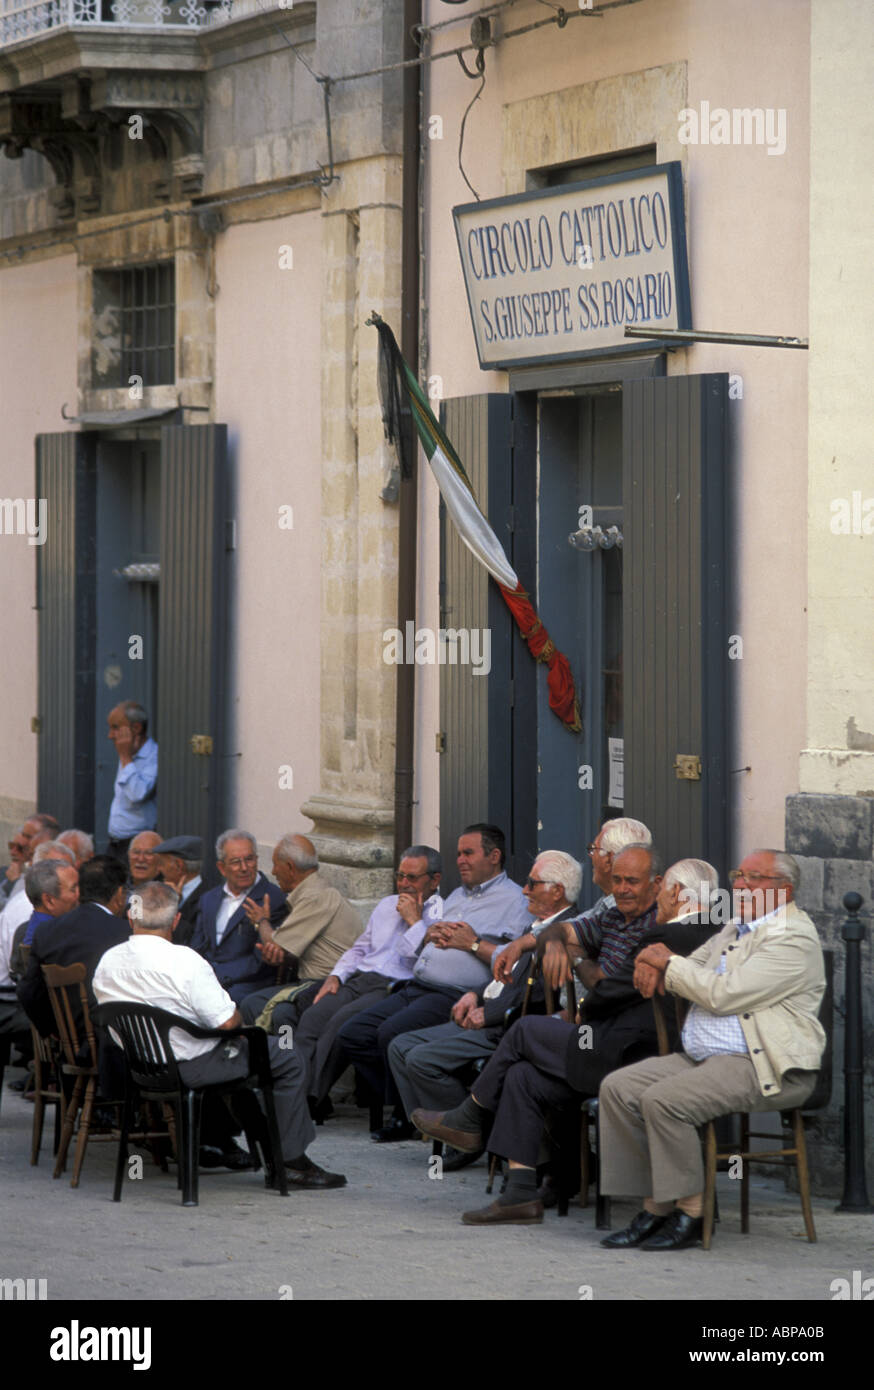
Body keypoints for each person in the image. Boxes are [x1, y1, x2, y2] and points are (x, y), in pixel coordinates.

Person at [413, 844, 711, 1223]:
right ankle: (521, 1193)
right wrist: (552, 942)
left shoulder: (662, 931)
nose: (622, 888)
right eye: (617, 879)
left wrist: (578, 958)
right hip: (598, 1038)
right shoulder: (611, 917)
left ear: (658, 886)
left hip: (629, 1053)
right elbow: (557, 927)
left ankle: (470, 1115)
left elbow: (604, 993)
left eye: (632, 881)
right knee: (523, 1076)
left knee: (523, 1031)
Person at [598, 849, 825, 1252]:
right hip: (706, 1057)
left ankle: (690, 1210)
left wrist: (664, 960)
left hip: (763, 1064)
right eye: (739, 874)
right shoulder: (737, 926)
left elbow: (721, 995)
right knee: (619, 1087)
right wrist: (656, 960)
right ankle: (653, 1204)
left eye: (754, 877)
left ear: (783, 890)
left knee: (664, 1100)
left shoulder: (792, 938)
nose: (740, 884)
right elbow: (691, 962)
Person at [93, 881, 346, 1189]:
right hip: (192, 1065)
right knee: (286, 1056)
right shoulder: (184, 961)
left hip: (140, 1068)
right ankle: (291, 1161)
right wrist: (235, 1025)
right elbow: (227, 1022)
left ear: (131, 918)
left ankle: (262, 1149)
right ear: (175, 920)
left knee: (246, 1061)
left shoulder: (108, 961)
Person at [338, 824, 531, 1141]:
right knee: (353, 1034)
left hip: (454, 995)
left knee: (390, 1033)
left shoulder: (514, 901)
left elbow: (515, 963)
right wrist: (429, 933)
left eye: (468, 853)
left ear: (494, 856)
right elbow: (424, 941)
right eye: (458, 853)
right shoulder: (456, 895)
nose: (460, 860)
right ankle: (408, 1104)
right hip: (417, 986)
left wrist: (472, 943)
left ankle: (407, 1116)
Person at [387, 850, 581, 1152]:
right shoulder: (536, 925)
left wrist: (487, 1013)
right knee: (399, 1046)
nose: (525, 889)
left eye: (532, 883)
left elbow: (538, 995)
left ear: (557, 891)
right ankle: (448, 1133)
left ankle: (466, 1133)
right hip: (484, 1009)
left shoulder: (566, 932)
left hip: (506, 1026)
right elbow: (507, 976)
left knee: (420, 1059)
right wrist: (474, 994)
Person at [242, 847, 444, 1113]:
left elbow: (424, 961)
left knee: (339, 1022)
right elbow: (360, 948)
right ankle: (291, 1091)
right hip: (356, 977)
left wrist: (414, 921)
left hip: (393, 987)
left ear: (434, 880)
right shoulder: (386, 905)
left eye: (412, 878)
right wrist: (337, 975)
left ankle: (307, 1099)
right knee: (310, 1018)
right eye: (400, 876)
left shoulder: (441, 912)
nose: (404, 884)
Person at [493, 818, 651, 985]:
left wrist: (573, 953)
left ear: (609, 859)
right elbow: (567, 927)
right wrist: (525, 943)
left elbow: (606, 988)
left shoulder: (632, 916)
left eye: (593, 849)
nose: (591, 856)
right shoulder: (607, 910)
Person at [238, 835, 362, 1007]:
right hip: (317, 981)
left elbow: (275, 944)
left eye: (275, 865)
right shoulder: (314, 890)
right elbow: (283, 950)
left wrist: (261, 921)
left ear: (290, 867)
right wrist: (279, 955)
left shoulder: (314, 897)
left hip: (328, 984)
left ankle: (284, 1036)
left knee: (253, 1004)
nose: (273, 872)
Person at [17, 856, 126, 1040]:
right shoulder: (126, 933)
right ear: (119, 894)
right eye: (72, 888)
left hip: (70, 1042)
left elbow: (28, 993)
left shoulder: (45, 932)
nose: (76, 895)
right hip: (116, 1044)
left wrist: (56, 1033)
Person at [190, 830, 286, 1003]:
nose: (244, 868)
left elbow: (260, 961)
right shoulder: (208, 899)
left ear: (257, 860)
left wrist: (215, 975)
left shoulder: (273, 898)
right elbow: (198, 945)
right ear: (221, 867)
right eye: (235, 862)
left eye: (249, 859)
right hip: (207, 979)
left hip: (247, 984)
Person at [106, 701, 158, 859]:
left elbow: (137, 794)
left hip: (137, 844)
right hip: (115, 842)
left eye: (115, 728)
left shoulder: (153, 756)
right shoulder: (129, 751)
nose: (110, 735)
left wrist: (125, 757)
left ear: (136, 728)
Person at [152, 836, 204, 946]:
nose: (159, 869)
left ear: (178, 865)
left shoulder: (207, 898)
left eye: (161, 863)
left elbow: (187, 939)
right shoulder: (159, 890)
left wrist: (174, 906)